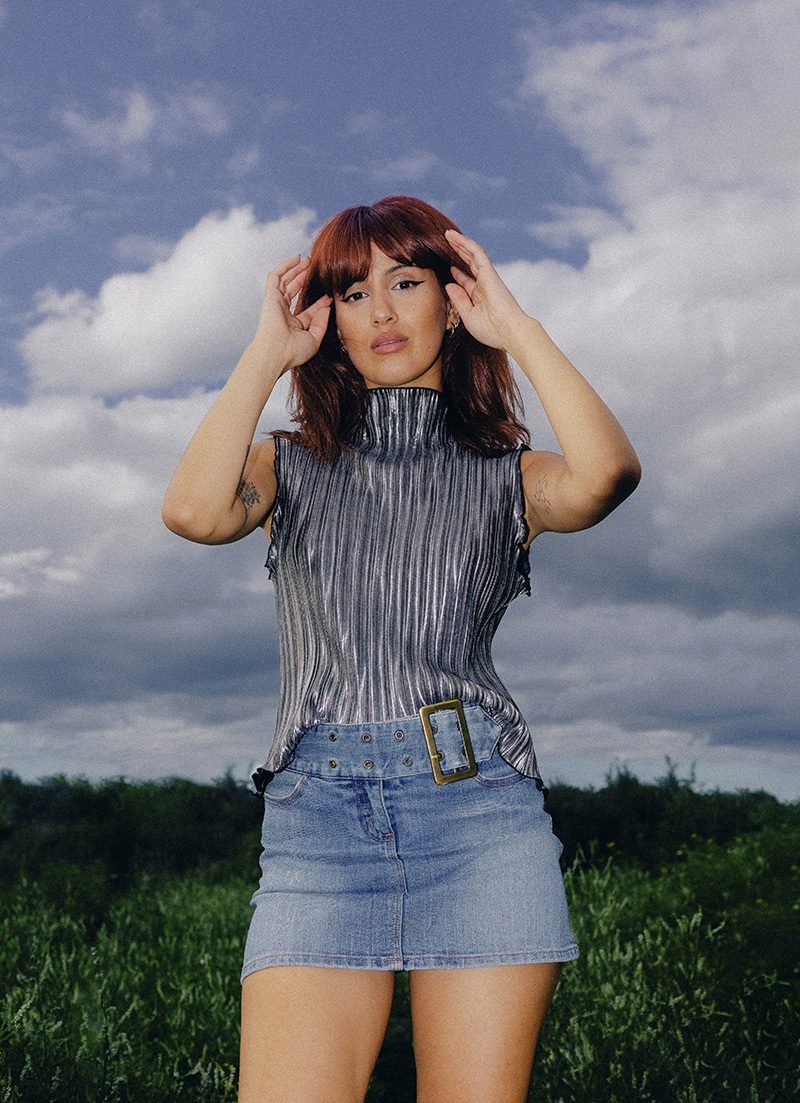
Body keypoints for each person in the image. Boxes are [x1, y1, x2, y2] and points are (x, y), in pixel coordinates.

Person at [161, 194, 641, 1103]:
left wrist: (518, 329)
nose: (380, 311)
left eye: (406, 282)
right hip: (318, 825)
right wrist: (265, 354)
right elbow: (191, 511)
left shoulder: (509, 475)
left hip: (478, 816)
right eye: (353, 293)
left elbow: (607, 473)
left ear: (452, 301)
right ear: (329, 321)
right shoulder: (287, 464)